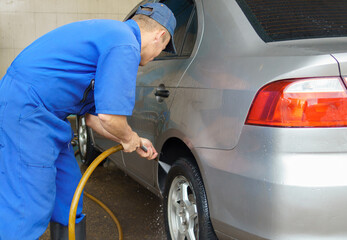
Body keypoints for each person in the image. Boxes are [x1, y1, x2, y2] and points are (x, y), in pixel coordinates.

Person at [0, 3, 176, 240]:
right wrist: (128, 138)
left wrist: (133, 139)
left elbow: (93, 119)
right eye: (163, 49)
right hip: (29, 113)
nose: (157, 57)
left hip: (50, 118)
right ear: (161, 36)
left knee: (68, 195)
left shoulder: (113, 36)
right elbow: (110, 118)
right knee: (28, 205)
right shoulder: (124, 44)